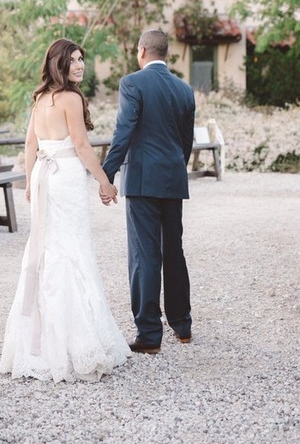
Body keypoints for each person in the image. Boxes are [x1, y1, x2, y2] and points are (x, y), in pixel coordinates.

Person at [0, 37, 131, 382]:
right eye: (72, 60)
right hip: (65, 177)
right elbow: (82, 146)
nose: (79, 65)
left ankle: (40, 345)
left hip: (45, 175)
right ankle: (78, 343)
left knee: (46, 248)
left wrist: (31, 181)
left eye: (81, 59)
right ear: (57, 64)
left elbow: (31, 143)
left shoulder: (40, 98)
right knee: (73, 249)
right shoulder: (70, 98)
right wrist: (105, 182)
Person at [100, 28, 195, 354]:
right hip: (173, 178)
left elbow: (124, 130)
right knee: (174, 250)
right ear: (165, 53)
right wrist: (174, 168)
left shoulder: (132, 83)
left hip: (142, 180)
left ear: (142, 51)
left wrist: (106, 173)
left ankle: (149, 334)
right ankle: (182, 326)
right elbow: (186, 142)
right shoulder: (184, 89)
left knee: (145, 254)